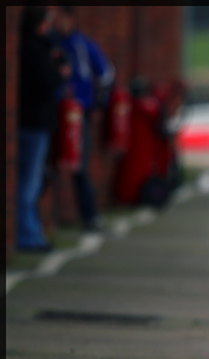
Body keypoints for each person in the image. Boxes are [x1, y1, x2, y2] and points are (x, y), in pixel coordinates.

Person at [52, 5, 115, 231]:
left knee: (79, 165)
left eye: (60, 17)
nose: (57, 21)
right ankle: (50, 219)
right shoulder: (52, 42)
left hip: (79, 115)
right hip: (54, 112)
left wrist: (98, 103)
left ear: (70, 18)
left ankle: (89, 217)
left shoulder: (82, 44)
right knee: (49, 165)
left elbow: (107, 74)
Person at [17, 5, 71, 252]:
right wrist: (60, 74)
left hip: (33, 121)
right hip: (35, 122)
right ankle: (27, 235)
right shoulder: (34, 49)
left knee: (32, 180)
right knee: (30, 182)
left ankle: (31, 232)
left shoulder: (37, 47)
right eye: (47, 21)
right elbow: (45, 83)